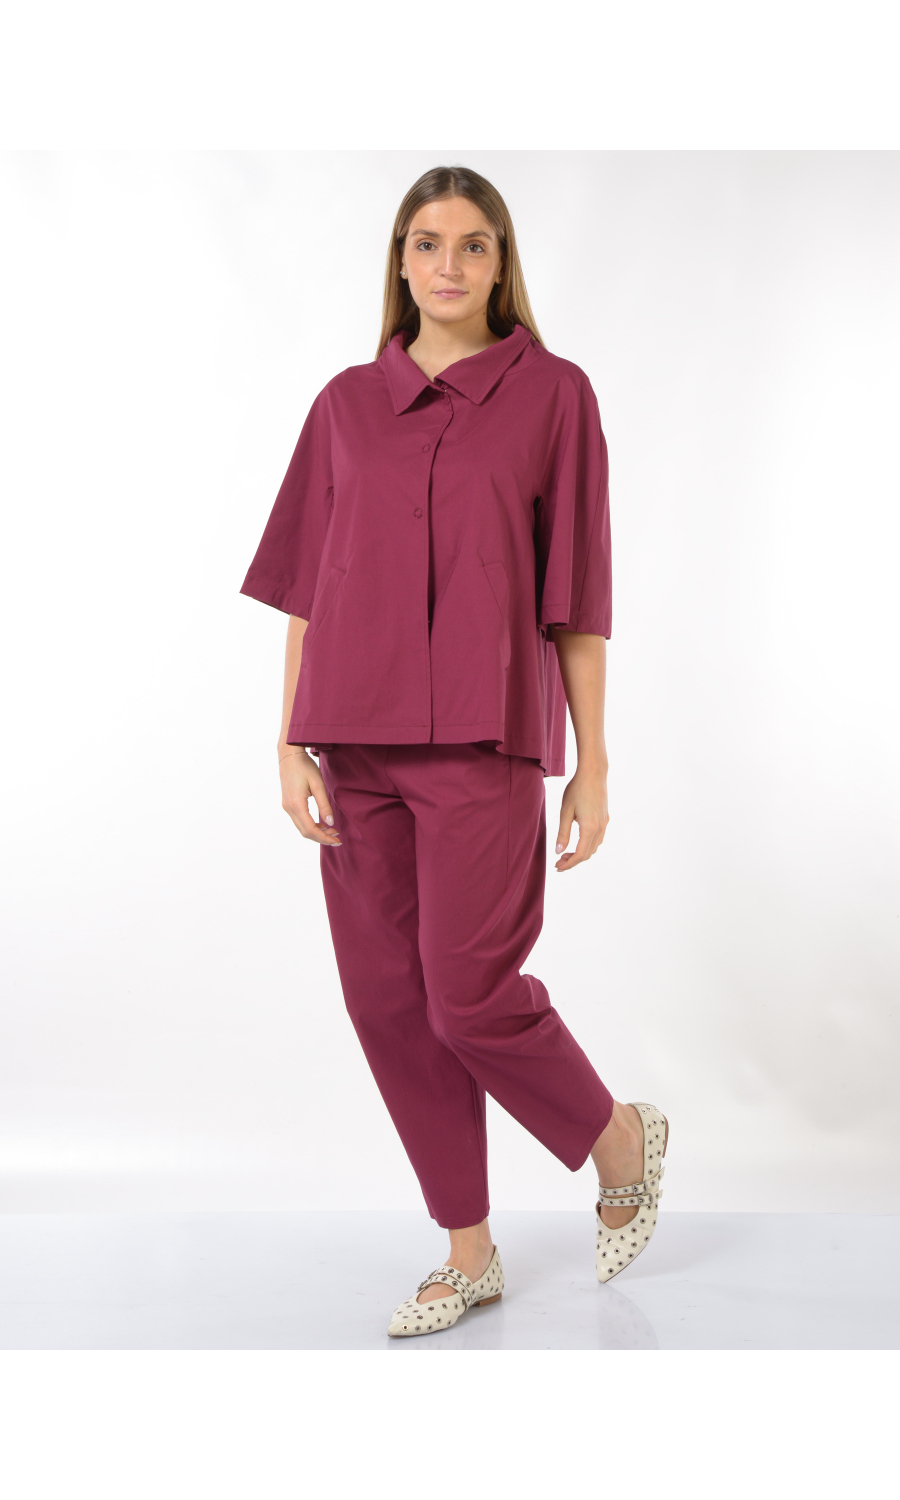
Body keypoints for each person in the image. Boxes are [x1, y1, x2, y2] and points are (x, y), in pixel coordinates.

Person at [240, 165, 668, 1338]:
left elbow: (577, 598)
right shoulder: (343, 405)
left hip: (484, 743)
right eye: (426, 243)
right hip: (352, 744)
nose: (448, 265)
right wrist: (288, 741)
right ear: (399, 260)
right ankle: (467, 1252)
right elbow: (307, 590)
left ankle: (618, 1139)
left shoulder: (555, 396)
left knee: (468, 997)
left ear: (501, 262)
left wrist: (593, 763)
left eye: (473, 245)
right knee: (388, 1001)